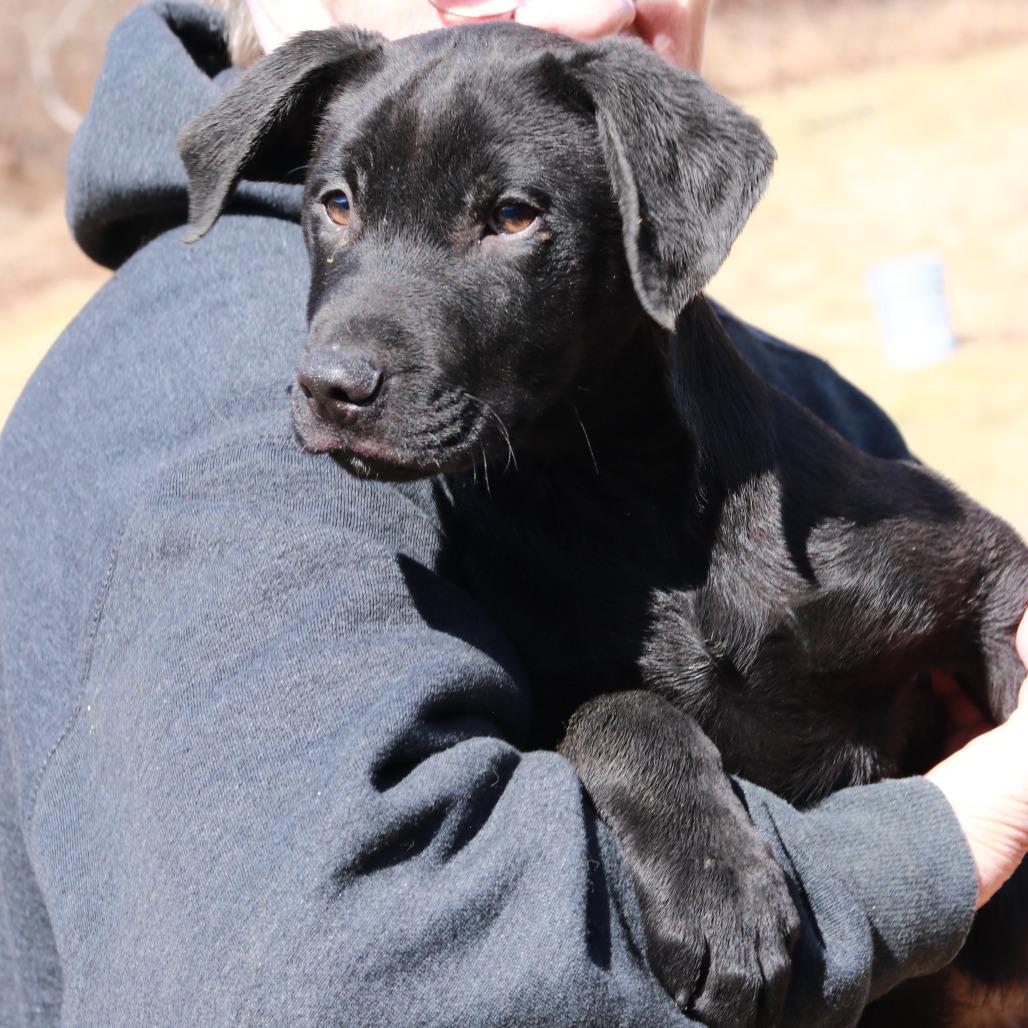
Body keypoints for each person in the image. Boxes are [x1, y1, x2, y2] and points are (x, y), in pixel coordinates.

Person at [0, 0, 1024, 1024]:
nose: (598, 8)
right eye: (340, 206)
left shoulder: (758, 399)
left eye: (504, 216)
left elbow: (984, 583)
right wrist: (918, 854)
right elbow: (325, 972)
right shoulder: (210, 416)